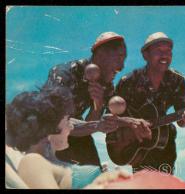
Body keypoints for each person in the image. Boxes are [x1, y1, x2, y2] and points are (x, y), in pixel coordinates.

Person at [42, 32, 151, 166]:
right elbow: (56, 122)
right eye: (120, 57)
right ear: (101, 54)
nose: (122, 66)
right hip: (43, 137)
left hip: (72, 134)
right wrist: (98, 125)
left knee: (94, 175)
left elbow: (89, 126)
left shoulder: (106, 86)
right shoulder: (64, 73)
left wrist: (98, 108)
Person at [5, 86, 131, 189]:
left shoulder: (49, 161)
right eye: (67, 120)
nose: (71, 127)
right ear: (49, 127)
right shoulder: (32, 161)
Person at [115, 32, 185, 174]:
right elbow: (109, 118)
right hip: (136, 145)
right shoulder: (128, 81)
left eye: (168, 52)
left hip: (165, 143)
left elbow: (181, 120)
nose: (165, 56)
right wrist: (131, 124)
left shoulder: (177, 79)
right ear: (145, 55)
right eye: (159, 51)